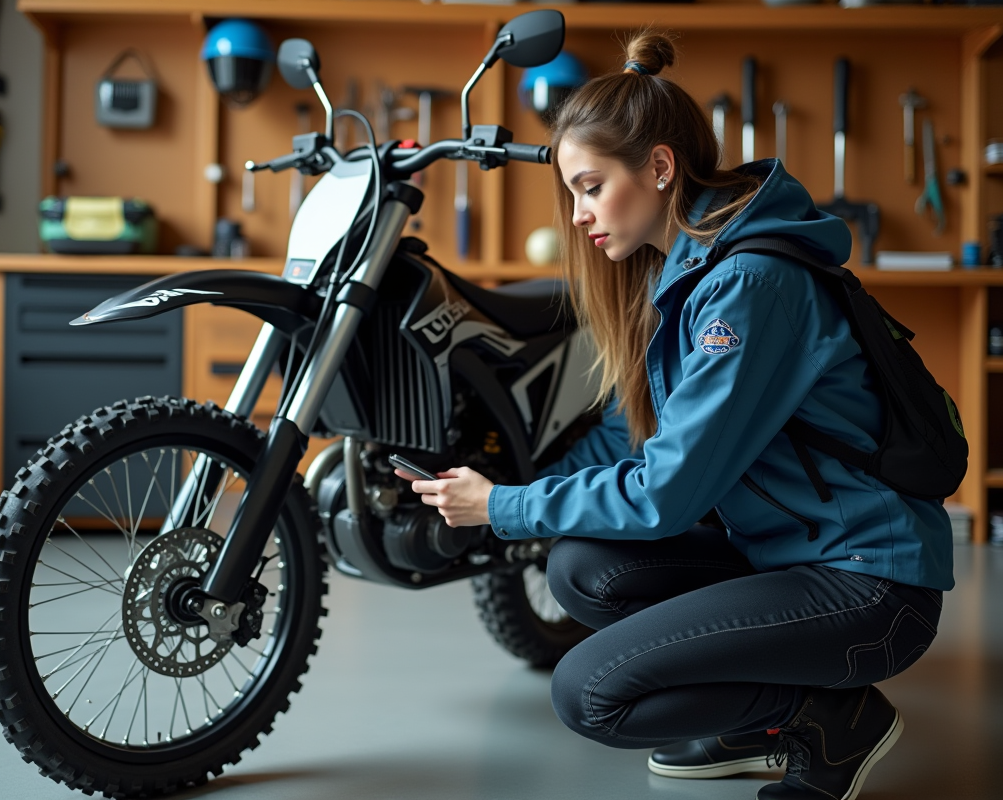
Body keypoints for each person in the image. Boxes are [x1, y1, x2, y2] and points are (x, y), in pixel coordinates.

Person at [393, 30, 952, 800]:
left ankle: (829, 720)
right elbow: (637, 436)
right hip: (786, 555)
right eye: (573, 195)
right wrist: (518, 484)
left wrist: (504, 507)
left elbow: (667, 491)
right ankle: (746, 719)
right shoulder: (687, 272)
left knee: (588, 693)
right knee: (583, 569)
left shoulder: (746, 288)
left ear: (658, 168)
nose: (581, 214)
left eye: (592, 186)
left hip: (868, 586)